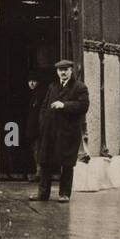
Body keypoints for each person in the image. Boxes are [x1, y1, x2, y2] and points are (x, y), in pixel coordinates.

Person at [36, 59, 90, 202]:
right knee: (45, 162)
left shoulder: (80, 87)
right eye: (60, 70)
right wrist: (43, 123)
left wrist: (64, 105)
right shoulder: (52, 87)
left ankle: (64, 194)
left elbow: (83, 106)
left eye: (66, 70)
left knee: (66, 164)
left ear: (71, 71)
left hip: (68, 132)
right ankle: (42, 194)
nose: (63, 72)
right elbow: (44, 105)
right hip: (50, 131)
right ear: (57, 72)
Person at [23, 72, 48, 180]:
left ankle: (39, 174)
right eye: (30, 81)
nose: (32, 83)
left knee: (38, 150)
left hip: (38, 128)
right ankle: (39, 173)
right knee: (36, 150)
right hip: (35, 128)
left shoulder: (40, 94)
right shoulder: (34, 94)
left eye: (34, 81)